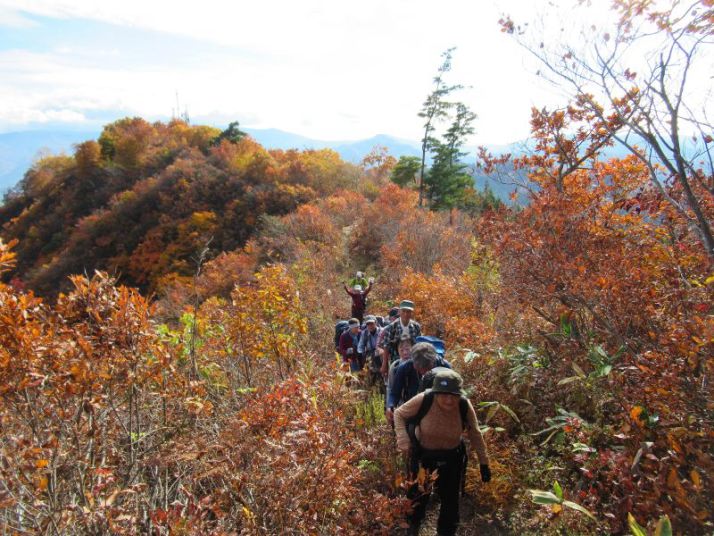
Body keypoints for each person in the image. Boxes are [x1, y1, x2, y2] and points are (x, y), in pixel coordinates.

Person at [394, 369, 491, 536]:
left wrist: (484, 463)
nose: (449, 400)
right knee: (417, 499)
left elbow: (475, 433)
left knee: (450, 504)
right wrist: (402, 438)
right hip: (423, 459)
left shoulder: (464, 405)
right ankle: (412, 528)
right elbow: (399, 413)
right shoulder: (424, 399)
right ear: (436, 392)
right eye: (444, 395)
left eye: (454, 395)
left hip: (452, 459)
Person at [387, 341, 451, 423]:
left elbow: (453, 393)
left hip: (438, 409)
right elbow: (395, 393)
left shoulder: (444, 367)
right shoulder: (405, 368)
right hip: (413, 408)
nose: (423, 372)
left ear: (433, 362)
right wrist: (390, 406)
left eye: (427, 368)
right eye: (419, 369)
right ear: (413, 362)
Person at [379, 300, 421, 373]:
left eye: (408, 312)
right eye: (403, 311)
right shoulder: (392, 327)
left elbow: (418, 344)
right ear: (399, 312)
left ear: (411, 313)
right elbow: (386, 346)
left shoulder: (416, 326)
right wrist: (384, 364)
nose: (406, 314)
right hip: (396, 359)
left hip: (412, 358)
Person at [385, 332, 413, 422]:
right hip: (400, 404)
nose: (405, 352)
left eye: (407, 349)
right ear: (397, 350)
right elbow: (390, 387)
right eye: (401, 350)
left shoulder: (418, 364)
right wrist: (389, 406)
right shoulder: (394, 366)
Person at [358, 315, 382, 387]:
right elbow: (360, 346)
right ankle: (372, 387)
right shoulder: (364, 333)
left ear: (376, 323)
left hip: (381, 354)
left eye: (372, 323)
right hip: (370, 355)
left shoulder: (382, 331)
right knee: (371, 375)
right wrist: (362, 354)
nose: (370, 326)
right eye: (368, 324)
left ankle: (382, 387)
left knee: (382, 374)